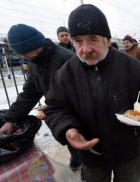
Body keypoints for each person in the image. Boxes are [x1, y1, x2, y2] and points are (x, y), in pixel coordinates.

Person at [43, 4, 140, 182]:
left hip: (128, 152)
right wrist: (68, 128)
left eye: (93, 39)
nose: (85, 49)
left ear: (108, 40)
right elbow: (55, 108)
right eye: (78, 41)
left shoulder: (131, 65)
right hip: (91, 156)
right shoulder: (66, 73)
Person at [0, 24, 85, 179]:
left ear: (35, 44)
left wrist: (53, 107)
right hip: (60, 115)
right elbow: (29, 93)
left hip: (79, 116)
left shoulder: (67, 59)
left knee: (85, 146)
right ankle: (77, 159)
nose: (23, 56)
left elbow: (83, 96)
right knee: (71, 140)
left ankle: (87, 170)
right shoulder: (34, 63)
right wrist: (11, 119)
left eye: (25, 52)